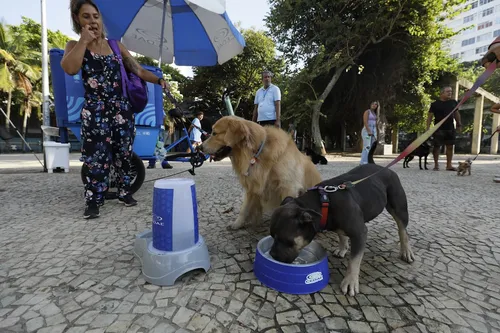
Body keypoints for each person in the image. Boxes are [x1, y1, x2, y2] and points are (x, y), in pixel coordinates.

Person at [61, 0, 170, 219]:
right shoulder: (74, 45)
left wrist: (159, 80)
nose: (93, 21)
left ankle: (124, 191)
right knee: (96, 157)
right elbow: (70, 68)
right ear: (77, 20)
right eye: (86, 16)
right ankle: (94, 200)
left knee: (124, 153)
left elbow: (137, 69)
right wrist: (84, 41)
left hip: (121, 109)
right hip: (95, 110)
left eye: (96, 16)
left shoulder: (115, 45)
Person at [426, 86, 462, 171]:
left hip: (450, 128)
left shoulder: (453, 102)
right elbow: (430, 116)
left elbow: (457, 114)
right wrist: (427, 128)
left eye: (451, 91)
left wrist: (459, 124)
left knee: (450, 146)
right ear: (442, 93)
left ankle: (449, 165)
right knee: (437, 146)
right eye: (448, 91)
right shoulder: (434, 104)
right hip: (438, 129)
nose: (450, 93)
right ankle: (436, 165)